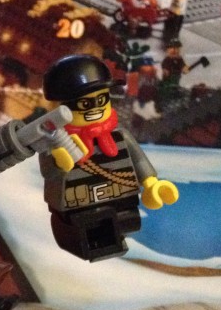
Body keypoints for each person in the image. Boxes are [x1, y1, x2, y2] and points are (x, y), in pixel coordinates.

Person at [38, 54, 178, 262]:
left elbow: (138, 159)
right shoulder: (56, 142)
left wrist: (151, 184)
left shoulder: (119, 135)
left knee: (127, 220)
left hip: (119, 200)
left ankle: (114, 237)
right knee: (82, 230)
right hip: (76, 208)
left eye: (101, 100)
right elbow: (49, 172)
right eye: (85, 103)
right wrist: (59, 161)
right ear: (62, 109)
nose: (95, 108)